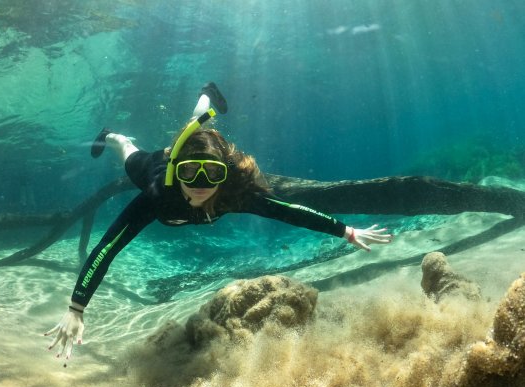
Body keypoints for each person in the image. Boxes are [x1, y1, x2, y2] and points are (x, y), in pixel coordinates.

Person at [45, 82, 393, 360]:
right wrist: (76, 308)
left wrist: (345, 230)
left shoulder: (233, 193)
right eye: (189, 173)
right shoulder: (157, 193)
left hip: (191, 159)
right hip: (152, 164)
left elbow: (289, 211)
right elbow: (108, 247)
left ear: (223, 175)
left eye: (209, 174)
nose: (198, 185)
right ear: (176, 172)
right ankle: (113, 134)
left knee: (194, 126)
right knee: (127, 152)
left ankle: (206, 95)